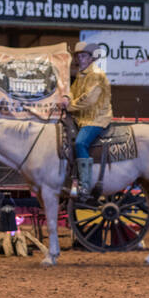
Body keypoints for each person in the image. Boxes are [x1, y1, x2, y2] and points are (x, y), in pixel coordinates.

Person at [59, 41, 112, 198]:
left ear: (91, 58)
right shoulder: (82, 74)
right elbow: (73, 91)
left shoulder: (96, 74)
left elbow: (89, 99)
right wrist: (66, 97)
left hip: (96, 119)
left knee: (81, 143)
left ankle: (85, 185)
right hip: (82, 118)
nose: (80, 59)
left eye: (83, 56)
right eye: (79, 56)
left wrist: (69, 106)